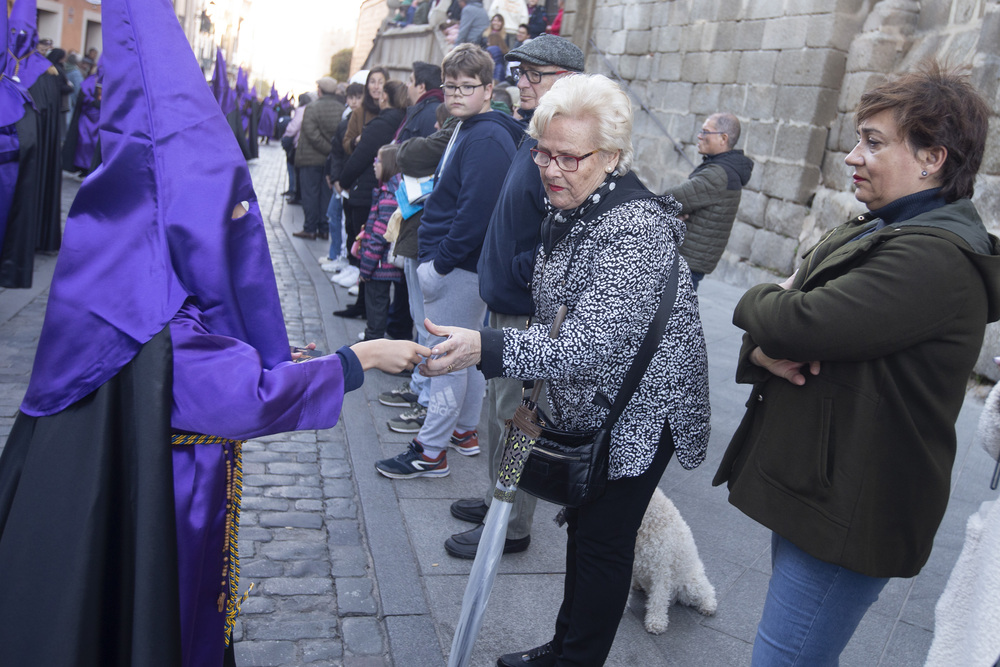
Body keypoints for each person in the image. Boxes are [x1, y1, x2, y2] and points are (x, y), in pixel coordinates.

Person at [0, 0, 430, 665]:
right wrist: (361, 356)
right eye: (229, 209)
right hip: (159, 516)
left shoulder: (120, 280)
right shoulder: (156, 322)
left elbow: (213, 363)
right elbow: (245, 397)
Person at [711, 62, 1000, 666]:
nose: (852, 156)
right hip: (824, 485)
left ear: (932, 158)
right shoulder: (890, 231)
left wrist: (759, 300)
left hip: (854, 507)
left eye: (873, 142)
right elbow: (789, 328)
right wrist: (766, 339)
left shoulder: (934, 259)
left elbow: (798, 320)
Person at [420, 73, 710, 666]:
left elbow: (588, 346)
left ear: (612, 157)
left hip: (638, 414)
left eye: (569, 156)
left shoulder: (632, 227)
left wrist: (488, 347)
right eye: (543, 152)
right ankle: (564, 647)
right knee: (586, 533)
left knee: (602, 545)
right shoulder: (580, 205)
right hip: (598, 402)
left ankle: (574, 658)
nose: (551, 168)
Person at [446, 33, 583, 560]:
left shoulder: (567, 146)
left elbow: (565, 232)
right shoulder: (536, 133)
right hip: (505, 300)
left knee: (516, 421)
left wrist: (521, 275)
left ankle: (511, 524)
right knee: (498, 415)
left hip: (528, 310)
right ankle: (496, 499)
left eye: (535, 75)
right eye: (521, 73)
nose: (522, 83)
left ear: (566, 82)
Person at [374, 44, 523, 479]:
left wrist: (439, 264)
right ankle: (461, 431)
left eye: (467, 87)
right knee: (467, 353)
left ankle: (430, 451)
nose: (456, 94)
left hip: (458, 265)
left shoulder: (487, 135)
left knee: (445, 359)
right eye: (451, 86)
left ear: (489, 88)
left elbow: (475, 212)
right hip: (457, 261)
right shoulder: (469, 126)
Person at [336, 80, 409, 318]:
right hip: (374, 189)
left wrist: (343, 180)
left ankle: (365, 308)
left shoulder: (383, 121)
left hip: (367, 191)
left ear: (386, 96)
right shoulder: (400, 118)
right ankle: (364, 305)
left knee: (365, 242)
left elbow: (360, 155)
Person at [664, 112, 754, 289]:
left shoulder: (718, 174)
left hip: (687, 262)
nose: (699, 135)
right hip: (690, 260)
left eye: (705, 132)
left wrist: (676, 210)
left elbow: (670, 199)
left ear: (723, 138)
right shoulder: (724, 169)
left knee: (669, 315)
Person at [358, 144, 405, 341]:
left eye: (378, 160)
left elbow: (380, 236)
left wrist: (366, 267)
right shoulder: (389, 191)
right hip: (379, 265)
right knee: (378, 302)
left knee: (376, 303)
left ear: (388, 165)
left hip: (379, 266)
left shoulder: (388, 197)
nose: (374, 164)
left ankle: (373, 342)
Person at [293, 77, 344, 240]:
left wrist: (328, 150)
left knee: (310, 194)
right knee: (325, 196)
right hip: (330, 161)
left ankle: (309, 228)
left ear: (320, 91)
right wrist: (332, 152)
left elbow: (311, 133)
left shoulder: (312, 108)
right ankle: (323, 228)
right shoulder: (341, 109)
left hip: (311, 159)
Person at [343, 67, 388, 155]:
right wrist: (356, 140)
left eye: (380, 82)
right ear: (367, 85)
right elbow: (346, 143)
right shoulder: (359, 112)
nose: (376, 87)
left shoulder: (392, 111)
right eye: (372, 82)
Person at [484, 14, 509, 81]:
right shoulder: (484, 34)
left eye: (499, 21)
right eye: (494, 20)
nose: (496, 23)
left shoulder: (506, 36)